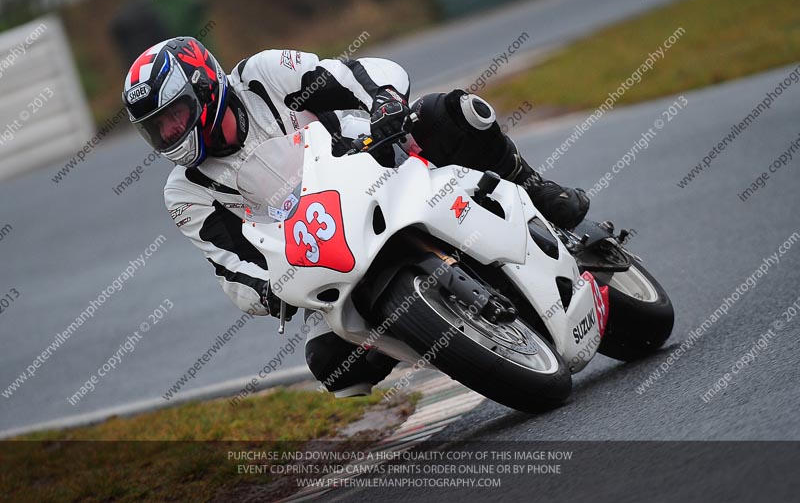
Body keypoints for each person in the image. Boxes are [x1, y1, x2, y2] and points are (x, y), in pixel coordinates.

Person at [123, 36, 589, 397]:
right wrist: (267, 291)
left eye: (174, 116)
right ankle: (422, 330)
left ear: (205, 88)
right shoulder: (186, 191)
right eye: (156, 129)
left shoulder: (262, 75)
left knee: (453, 112)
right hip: (320, 253)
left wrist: (383, 103)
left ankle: (535, 188)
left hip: (375, 161)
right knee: (331, 365)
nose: (169, 133)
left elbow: (354, 75)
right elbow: (230, 266)